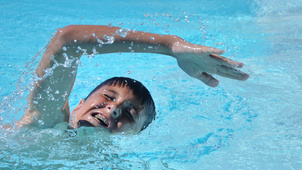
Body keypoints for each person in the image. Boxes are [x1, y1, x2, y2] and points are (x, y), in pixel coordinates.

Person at [16, 25, 249, 133]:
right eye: (108, 97)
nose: (114, 109)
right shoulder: (47, 124)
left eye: (130, 114)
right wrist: (170, 45)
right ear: (78, 105)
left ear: (133, 136)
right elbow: (67, 41)